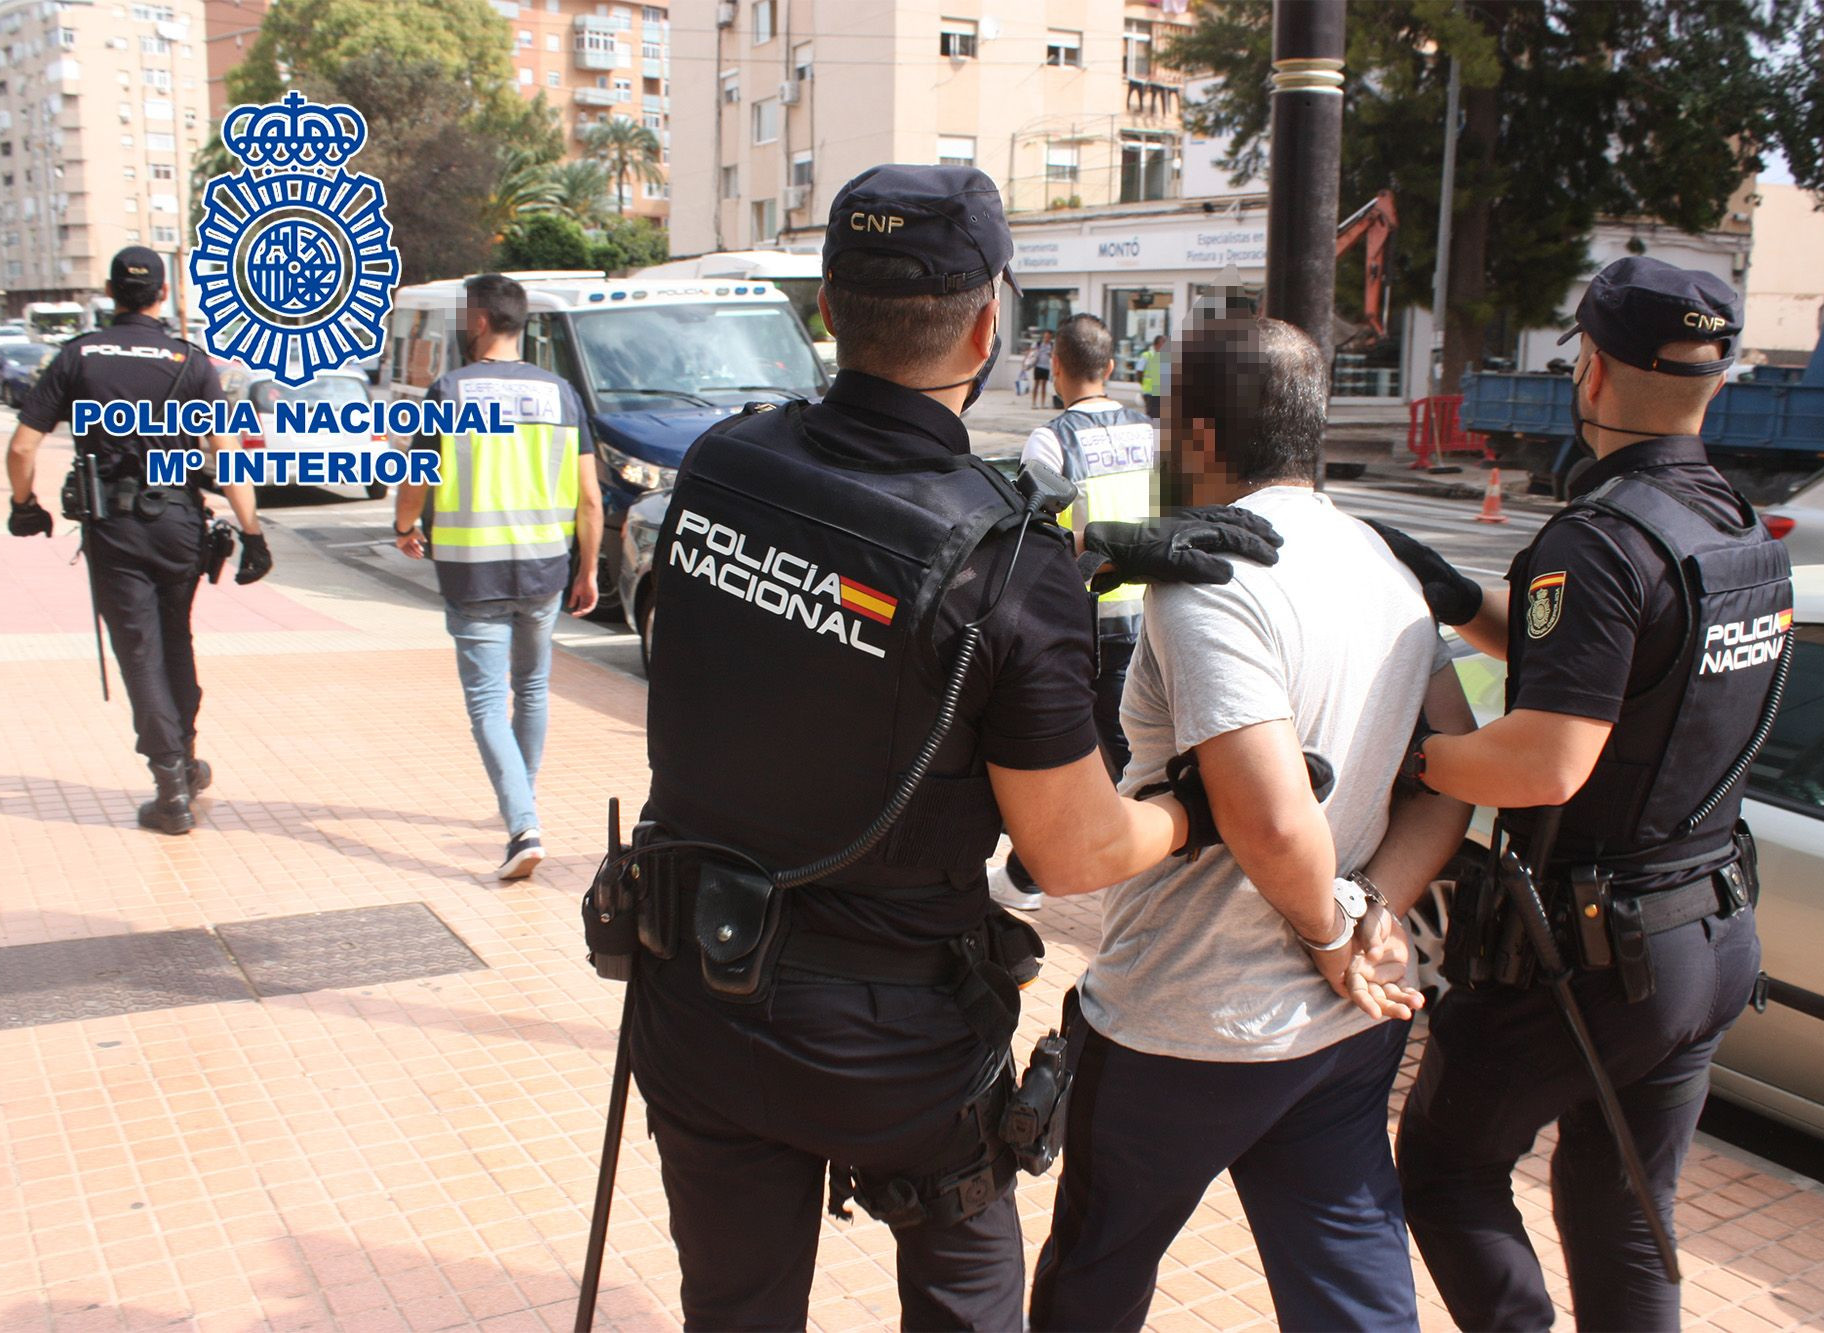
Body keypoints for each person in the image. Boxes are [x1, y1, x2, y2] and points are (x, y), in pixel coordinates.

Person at [624, 164, 1282, 1330]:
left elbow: (830, 628)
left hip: (699, 994)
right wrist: (1193, 804)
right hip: (897, 1052)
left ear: (827, 306)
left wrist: (1078, 564)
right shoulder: (1005, 565)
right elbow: (1074, 851)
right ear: (990, 323)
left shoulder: (720, 467)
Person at [1026, 314, 1477, 1333]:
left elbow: (1266, 817)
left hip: (1180, 1019)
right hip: (1340, 1028)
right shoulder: (1383, 566)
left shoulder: (1205, 576)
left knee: (1092, 1281)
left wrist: (1330, 931)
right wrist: (1373, 914)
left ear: (1194, 435)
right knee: (1351, 1290)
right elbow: (1449, 769)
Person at [1378, 257, 1786, 1332]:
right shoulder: (1735, 530)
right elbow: (1623, 676)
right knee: (1620, 1211)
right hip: (1705, 932)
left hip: (1590, 954)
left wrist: (1415, 758)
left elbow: (1546, 758)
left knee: (1444, 1165)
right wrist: (1463, 597)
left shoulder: (1598, 540)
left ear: (1590, 371)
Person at [4, 245, 271, 835]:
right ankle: (187, 755)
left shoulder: (78, 356)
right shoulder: (191, 361)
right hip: (179, 523)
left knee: (141, 652)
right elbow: (225, 457)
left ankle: (170, 783)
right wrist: (252, 535)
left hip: (116, 528)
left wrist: (25, 506)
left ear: (110, 292)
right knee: (176, 640)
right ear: (163, 295)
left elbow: (23, 447)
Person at [393, 273, 600, 880]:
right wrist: (587, 569)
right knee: (532, 689)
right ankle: (522, 797)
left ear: (479, 320)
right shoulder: (561, 393)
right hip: (543, 571)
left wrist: (405, 526)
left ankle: (522, 826)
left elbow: (418, 478)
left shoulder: (451, 391)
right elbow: (590, 499)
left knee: (487, 703)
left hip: (473, 575)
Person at [990, 312, 1157, 913]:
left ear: (1055, 366)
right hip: (1158, 614)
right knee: (1136, 749)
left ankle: (1046, 874)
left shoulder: (1051, 440)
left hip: (1093, 619)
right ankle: (1030, 872)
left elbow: (1033, 538)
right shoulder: (1150, 431)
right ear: (1110, 368)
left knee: (1104, 758)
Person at [1137, 332, 1165, 420]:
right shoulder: (1147, 355)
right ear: (1155, 345)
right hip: (1150, 392)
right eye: (1163, 343)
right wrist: (1143, 384)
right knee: (1151, 415)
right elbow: (1139, 371)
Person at [1028, 327, 1054, 408]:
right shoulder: (1038, 344)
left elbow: (1054, 355)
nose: (1047, 338)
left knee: (1044, 385)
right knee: (1036, 384)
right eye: (1046, 336)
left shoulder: (1051, 345)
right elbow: (1031, 353)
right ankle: (1034, 403)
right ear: (1043, 336)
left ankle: (1043, 403)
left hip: (1046, 367)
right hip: (1038, 366)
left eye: (1049, 337)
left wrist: (1051, 354)